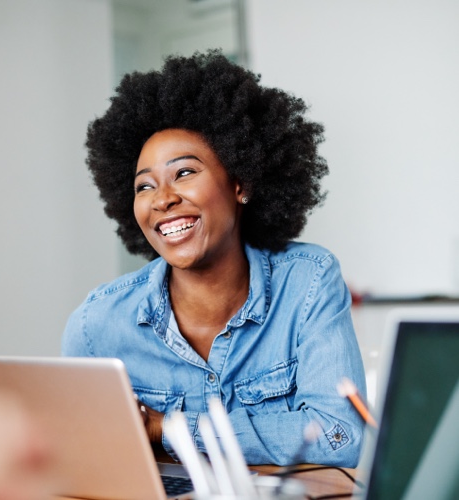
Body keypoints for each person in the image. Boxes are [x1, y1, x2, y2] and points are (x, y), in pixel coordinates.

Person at [62, 50, 367, 467]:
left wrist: (167, 428)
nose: (163, 199)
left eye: (184, 173)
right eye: (144, 186)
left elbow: (340, 434)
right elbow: (77, 458)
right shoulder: (95, 324)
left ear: (240, 183)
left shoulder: (308, 283)